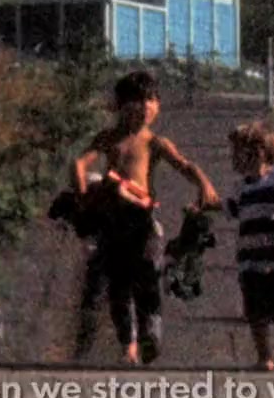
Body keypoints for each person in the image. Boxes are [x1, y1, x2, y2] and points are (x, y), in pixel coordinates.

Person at [71, 70, 220, 365]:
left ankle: (151, 334)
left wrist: (204, 185)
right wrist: (83, 194)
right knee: (118, 287)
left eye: (151, 100)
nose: (145, 107)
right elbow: (81, 162)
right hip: (113, 224)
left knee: (148, 278)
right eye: (137, 101)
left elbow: (185, 165)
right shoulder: (108, 138)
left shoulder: (154, 143)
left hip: (143, 223)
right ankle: (128, 345)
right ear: (120, 105)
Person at [225, 121, 274, 371]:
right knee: (255, 308)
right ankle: (264, 355)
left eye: (238, 152)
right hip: (250, 260)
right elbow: (230, 210)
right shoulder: (240, 188)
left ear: (258, 152)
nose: (233, 158)